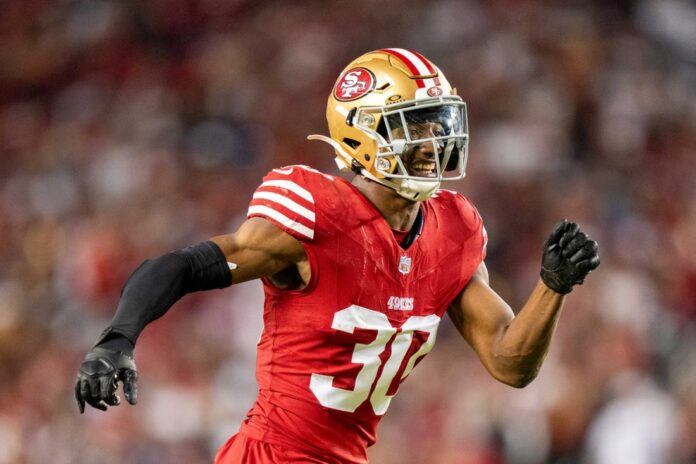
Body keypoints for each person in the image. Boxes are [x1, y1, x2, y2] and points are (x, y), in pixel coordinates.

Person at [75, 48, 600, 463]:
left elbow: (509, 363)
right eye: (414, 125)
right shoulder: (315, 213)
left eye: (438, 123)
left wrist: (552, 288)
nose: (433, 141)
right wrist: (117, 339)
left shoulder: (452, 229)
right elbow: (185, 265)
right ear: (363, 130)